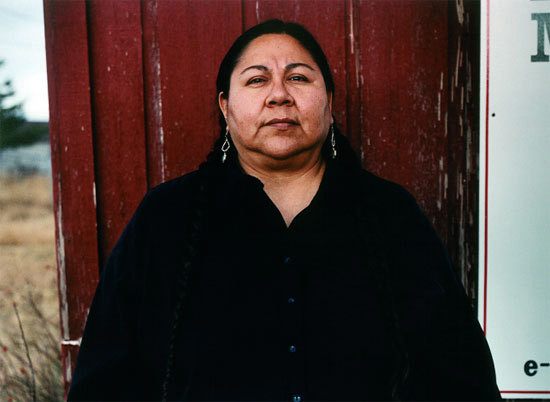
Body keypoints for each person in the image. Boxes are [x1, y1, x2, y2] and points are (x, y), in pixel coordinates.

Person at [67, 19, 501, 401]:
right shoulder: (166, 219)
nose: (279, 95)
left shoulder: (391, 215)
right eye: (257, 80)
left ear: (329, 101)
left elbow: (460, 375)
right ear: (225, 106)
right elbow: (105, 382)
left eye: (298, 78)